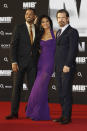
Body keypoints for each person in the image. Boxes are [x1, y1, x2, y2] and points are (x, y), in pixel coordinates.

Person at [6, 8, 39, 119]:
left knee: (32, 89)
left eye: (31, 14)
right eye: (26, 14)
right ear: (25, 16)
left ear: (35, 16)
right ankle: (14, 113)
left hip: (33, 64)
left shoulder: (38, 29)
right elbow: (13, 46)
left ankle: (29, 111)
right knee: (17, 88)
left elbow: (39, 45)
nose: (28, 15)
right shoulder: (18, 28)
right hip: (19, 63)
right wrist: (14, 62)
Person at [26, 15, 56, 120]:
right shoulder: (39, 35)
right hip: (41, 63)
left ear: (50, 22)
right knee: (39, 89)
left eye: (47, 21)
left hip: (50, 63)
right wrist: (34, 23)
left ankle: (37, 113)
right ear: (41, 24)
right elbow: (35, 47)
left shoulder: (56, 33)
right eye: (43, 22)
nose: (45, 23)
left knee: (40, 87)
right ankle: (39, 113)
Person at [54, 9, 79, 124]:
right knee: (60, 92)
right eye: (58, 17)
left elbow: (73, 50)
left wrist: (67, 64)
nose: (60, 19)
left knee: (66, 92)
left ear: (67, 18)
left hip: (67, 67)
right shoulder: (58, 32)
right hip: (58, 68)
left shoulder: (72, 31)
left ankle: (67, 117)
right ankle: (63, 115)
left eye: (63, 17)